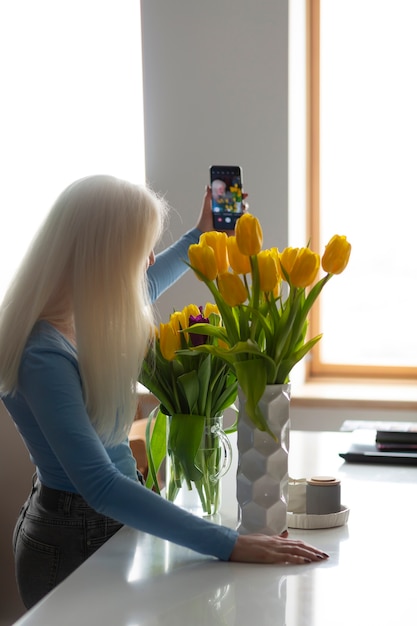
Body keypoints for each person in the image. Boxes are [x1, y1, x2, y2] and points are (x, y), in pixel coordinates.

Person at [0, 174, 328, 609]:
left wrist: (203, 234)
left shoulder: (84, 320)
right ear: (104, 258)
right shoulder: (43, 355)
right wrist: (230, 544)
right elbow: (100, 484)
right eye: (141, 250)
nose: (151, 258)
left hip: (100, 524)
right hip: (72, 538)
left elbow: (149, 285)